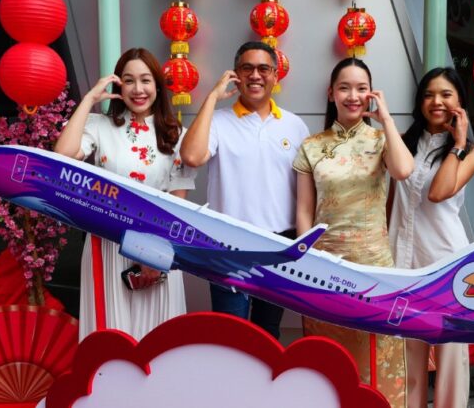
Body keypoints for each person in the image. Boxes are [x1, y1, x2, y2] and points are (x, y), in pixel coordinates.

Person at [293, 57, 414, 408]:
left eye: (362, 88)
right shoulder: (311, 145)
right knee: (329, 359)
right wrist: (305, 262)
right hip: (323, 268)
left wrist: (387, 119)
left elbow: (403, 171)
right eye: (344, 88)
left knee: (378, 359)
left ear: (372, 94)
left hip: (374, 267)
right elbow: (304, 210)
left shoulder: (381, 139)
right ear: (331, 93)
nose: (353, 96)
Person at [54, 47, 196, 340]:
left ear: (158, 85)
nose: (138, 89)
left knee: (159, 338)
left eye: (145, 80)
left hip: (158, 243)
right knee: (112, 336)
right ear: (118, 86)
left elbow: (177, 202)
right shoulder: (99, 126)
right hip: (109, 242)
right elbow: (64, 154)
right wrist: (89, 99)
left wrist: (154, 254)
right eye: (129, 80)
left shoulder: (176, 134)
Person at [180, 41, 309, 339]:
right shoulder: (217, 121)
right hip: (227, 245)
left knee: (268, 333)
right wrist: (212, 97)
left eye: (264, 68)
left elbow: (306, 192)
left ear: (275, 75)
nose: (255, 75)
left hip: (279, 244)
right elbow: (192, 157)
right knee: (230, 334)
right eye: (247, 68)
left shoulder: (295, 126)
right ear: (235, 75)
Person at [388, 67, 474, 408]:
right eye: (429, 95)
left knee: (450, 354)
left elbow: (439, 192)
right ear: (419, 101)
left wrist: (457, 144)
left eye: (446, 94)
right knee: (407, 351)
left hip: (446, 261)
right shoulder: (403, 142)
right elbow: (391, 201)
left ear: (460, 101)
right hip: (402, 259)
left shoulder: (472, 151)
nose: (437, 101)